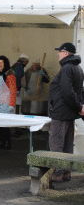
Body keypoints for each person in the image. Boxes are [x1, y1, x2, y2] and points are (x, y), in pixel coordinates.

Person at [48, 42, 84, 182]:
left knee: (56, 143)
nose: (58, 54)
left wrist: (78, 107)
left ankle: (56, 174)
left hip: (61, 113)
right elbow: (79, 92)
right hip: (69, 114)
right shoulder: (78, 68)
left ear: (66, 53)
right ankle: (66, 172)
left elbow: (67, 93)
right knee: (68, 144)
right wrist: (79, 107)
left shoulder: (66, 69)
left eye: (60, 51)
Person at [0, 55, 17, 150]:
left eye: (1, 63)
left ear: (5, 64)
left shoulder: (10, 76)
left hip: (6, 103)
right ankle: (1, 141)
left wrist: (12, 105)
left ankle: (7, 142)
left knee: (6, 124)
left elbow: (13, 91)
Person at [11, 54, 29, 137]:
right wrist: (18, 89)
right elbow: (18, 78)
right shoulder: (19, 66)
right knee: (16, 110)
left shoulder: (16, 65)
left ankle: (17, 128)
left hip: (15, 89)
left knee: (16, 110)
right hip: (16, 89)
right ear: (24, 61)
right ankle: (16, 129)